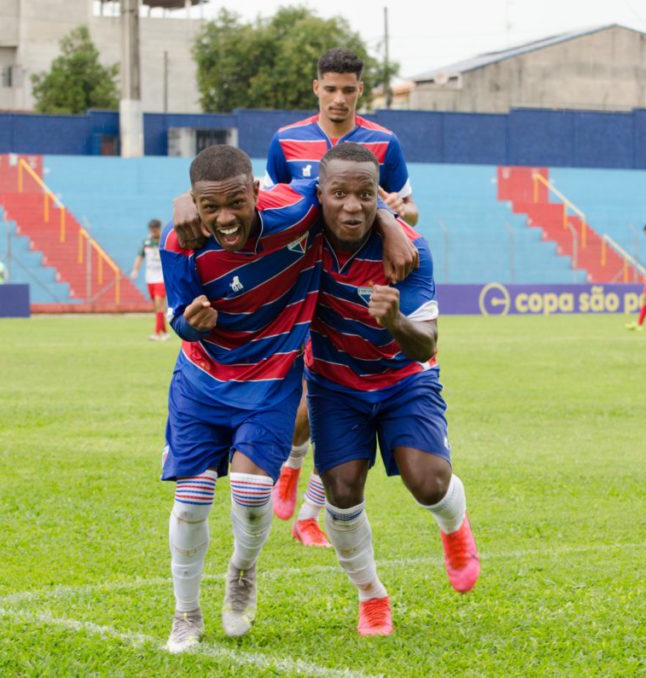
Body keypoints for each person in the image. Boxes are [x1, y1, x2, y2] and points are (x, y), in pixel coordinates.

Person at [159, 144, 416, 653]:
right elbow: (178, 316)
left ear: (256, 190)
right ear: (194, 203)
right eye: (210, 207)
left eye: (237, 202)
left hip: (271, 379)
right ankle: (185, 614)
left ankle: (242, 570)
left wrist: (388, 223)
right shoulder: (181, 239)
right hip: (201, 381)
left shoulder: (294, 209)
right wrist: (192, 321)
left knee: (252, 498)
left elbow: (346, 193)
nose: (225, 219)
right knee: (191, 503)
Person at [307, 143, 479, 636]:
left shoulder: (411, 248)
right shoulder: (300, 235)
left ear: (377, 196)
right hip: (334, 384)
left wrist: (394, 318)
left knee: (429, 482)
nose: (352, 206)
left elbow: (425, 345)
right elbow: (247, 207)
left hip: (403, 379)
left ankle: (454, 528)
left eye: (365, 195)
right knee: (341, 491)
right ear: (320, 194)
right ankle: (371, 595)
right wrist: (184, 203)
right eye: (339, 193)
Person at [266, 47, 421, 547]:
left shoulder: (384, 142)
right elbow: (272, 208)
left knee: (343, 395)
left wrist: (393, 218)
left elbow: (409, 208)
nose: (339, 99)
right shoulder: (286, 141)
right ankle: (292, 467)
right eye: (330, 89)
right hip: (305, 277)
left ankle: (306, 505)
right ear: (316, 88)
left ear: (360, 90)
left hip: (360, 277)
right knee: (309, 404)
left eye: (348, 90)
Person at [130, 219, 169, 341]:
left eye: (155, 230)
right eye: (151, 230)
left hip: (161, 277)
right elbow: (140, 256)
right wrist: (135, 270)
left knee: (159, 304)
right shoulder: (146, 242)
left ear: (159, 228)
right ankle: (164, 332)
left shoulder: (165, 241)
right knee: (157, 307)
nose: (153, 232)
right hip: (150, 278)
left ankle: (157, 333)